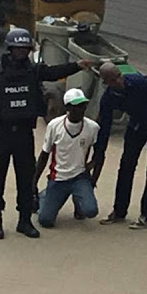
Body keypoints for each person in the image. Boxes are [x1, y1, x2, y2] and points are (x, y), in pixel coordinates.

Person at [0, 28, 92, 240]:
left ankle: (24, 221)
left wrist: (76, 66)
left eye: (25, 50)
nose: (21, 53)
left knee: (25, 178)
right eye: (18, 49)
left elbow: (53, 73)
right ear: (10, 49)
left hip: (23, 133)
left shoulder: (32, 71)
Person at [93, 63, 147, 230]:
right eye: (113, 80)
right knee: (126, 166)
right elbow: (104, 128)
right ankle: (119, 210)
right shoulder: (108, 97)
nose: (119, 81)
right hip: (136, 125)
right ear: (106, 82)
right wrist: (98, 154)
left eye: (119, 76)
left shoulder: (139, 82)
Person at [34, 88, 100, 228]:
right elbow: (44, 155)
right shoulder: (54, 126)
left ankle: (79, 198)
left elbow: (100, 155)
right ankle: (44, 196)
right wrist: (33, 181)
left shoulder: (93, 128)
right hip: (58, 178)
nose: (80, 109)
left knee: (91, 211)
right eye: (76, 106)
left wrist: (92, 180)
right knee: (45, 220)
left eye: (83, 105)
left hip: (79, 177)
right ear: (68, 108)